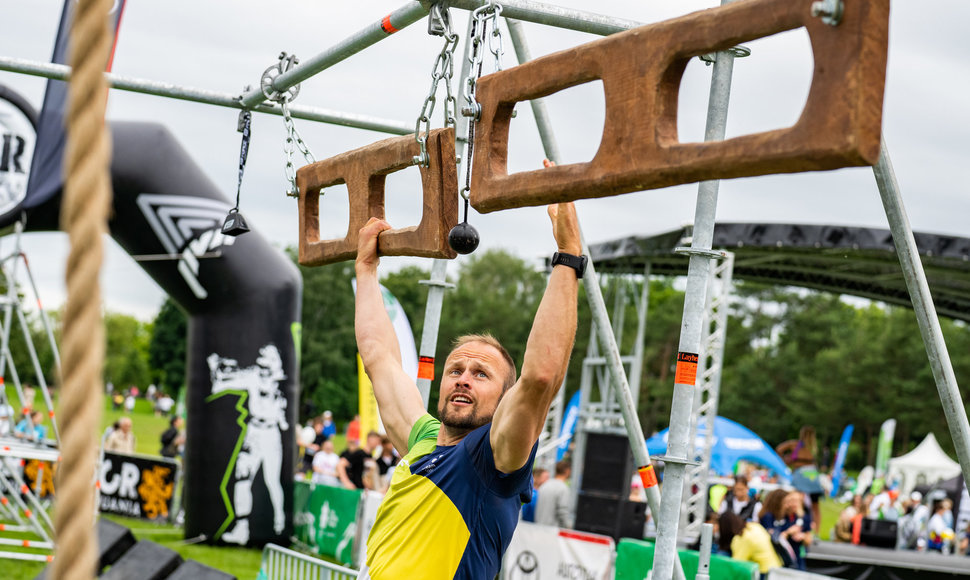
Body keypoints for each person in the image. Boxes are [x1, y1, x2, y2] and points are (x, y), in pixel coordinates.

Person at [353, 196, 581, 579]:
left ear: (507, 400)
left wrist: (568, 256)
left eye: (481, 374)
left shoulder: (491, 461)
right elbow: (378, 356)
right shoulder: (423, 439)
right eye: (456, 369)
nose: (462, 377)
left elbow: (540, 377)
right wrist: (365, 269)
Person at [718, 511, 782, 578]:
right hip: (776, 568)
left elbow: (737, 565)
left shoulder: (741, 538)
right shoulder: (754, 526)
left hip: (763, 573)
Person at [535, 459, 572, 528]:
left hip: (538, 527)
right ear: (567, 471)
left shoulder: (544, 485)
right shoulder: (563, 488)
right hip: (552, 530)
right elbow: (562, 511)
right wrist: (568, 526)